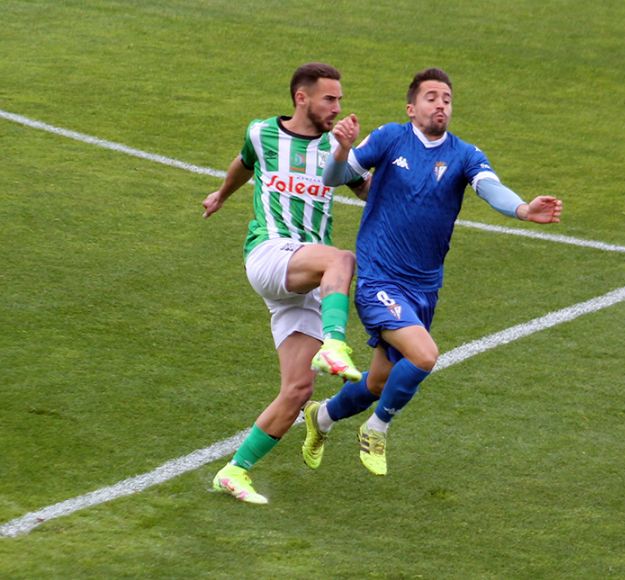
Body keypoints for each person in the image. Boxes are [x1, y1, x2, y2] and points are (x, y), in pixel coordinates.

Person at [301, 67, 562, 476]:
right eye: (431, 97)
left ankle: (321, 418)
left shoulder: (464, 154)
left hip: (424, 287)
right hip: (379, 279)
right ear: (411, 107)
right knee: (424, 356)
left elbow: (490, 187)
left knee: (378, 383)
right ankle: (377, 428)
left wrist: (524, 209)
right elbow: (334, 178)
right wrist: (341, 149)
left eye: (447, 99)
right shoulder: (390, 138)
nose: (441, 104)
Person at [202, 62, 368, 504]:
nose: (337, 107)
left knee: (298, 391)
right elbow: (244, 162)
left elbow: (371, 192)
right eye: (329, 99)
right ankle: (335, 343)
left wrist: (363, 155)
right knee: (342, 258)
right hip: (270, 253)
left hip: (307, 279)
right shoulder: (262, 132)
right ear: (302, 98)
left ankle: (234, 471)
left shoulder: (339, 151)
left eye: (340, 100)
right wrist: (222, 193)